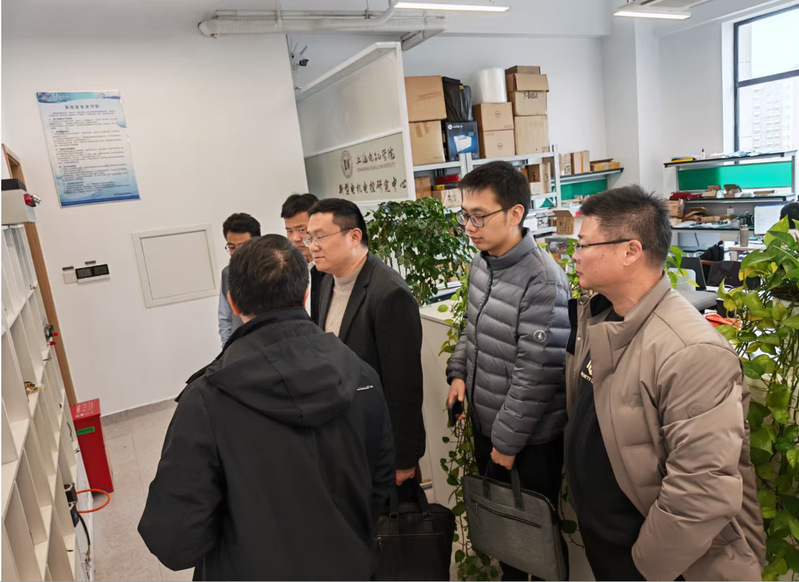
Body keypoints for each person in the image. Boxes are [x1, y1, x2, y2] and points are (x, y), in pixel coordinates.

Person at [139, 235, 395, 581]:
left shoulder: (206, 401)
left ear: (233, 302)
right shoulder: (362, 375)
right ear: (305, 295)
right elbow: (380, 487)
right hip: (352, 568)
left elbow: (174, 541)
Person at [564, 185, 765, 581]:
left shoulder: (690, 351)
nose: (575, 255)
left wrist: (644, 566)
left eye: (584, 244)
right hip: (611, 549)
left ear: (630, 252)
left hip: (661, 566)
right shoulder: (602, 317)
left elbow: (701, 492)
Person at [445, 161, 570, 581]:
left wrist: (506, 443)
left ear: (515, 213)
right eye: (465, 215)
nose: (470, 226)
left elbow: (536, 374)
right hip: (492, 427)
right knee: (507, 544)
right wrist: (458, 373)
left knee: (535, 544)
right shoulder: (483, 263)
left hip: (528, 441)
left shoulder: (543, 280)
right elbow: (472, 328)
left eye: (479, 216)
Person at [307, 198, 425, 487]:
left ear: (354, 236)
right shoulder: (327, 280)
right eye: (310, 238)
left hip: (380, 443)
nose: (312, 247)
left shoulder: (389, 294)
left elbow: (404, 388)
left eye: (320, 237)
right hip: (343, 435)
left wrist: (403, 459)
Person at [281, 193, 327, 324]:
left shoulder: (333, 268)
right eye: (289, 231)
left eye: (301, 230)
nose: (295, 238)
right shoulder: (288, 270)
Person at [218, 212, 260, 347]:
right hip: (241, 347)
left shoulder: (275, 270)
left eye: (243, 246)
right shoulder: (227, 274)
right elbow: (225, 318)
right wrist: (227, 349)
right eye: (231, 247)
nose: (237, 253)